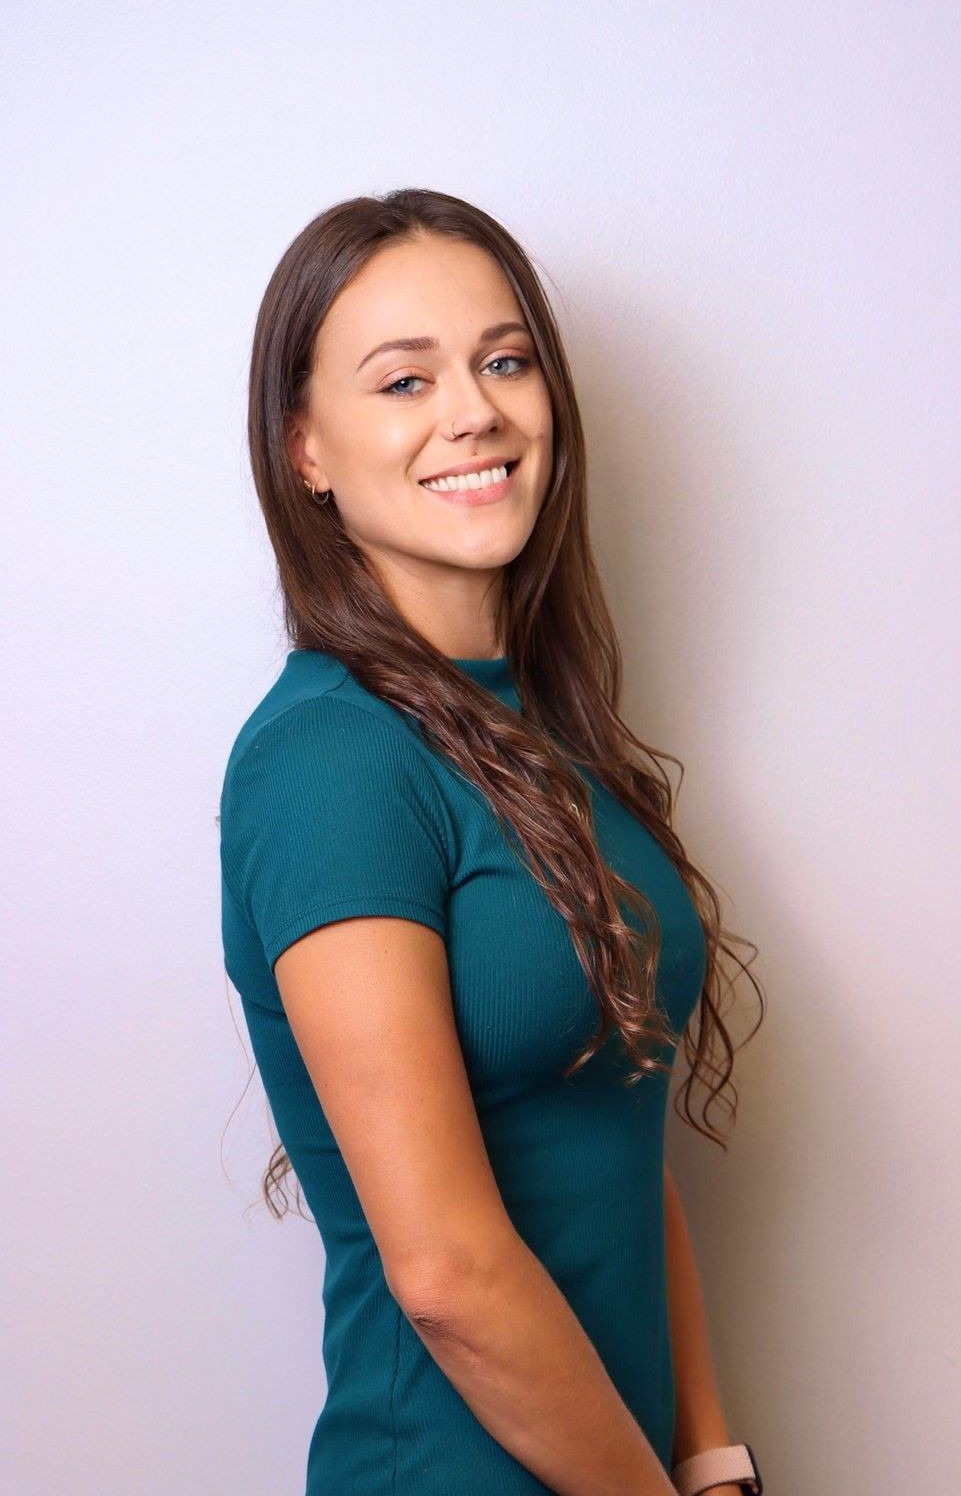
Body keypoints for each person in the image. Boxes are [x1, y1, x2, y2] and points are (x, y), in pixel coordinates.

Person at [219, 188, 765, 1496]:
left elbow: (620, 1107)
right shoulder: (329, 763)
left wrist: (710, 1456)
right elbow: (448, 1274)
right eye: (404, 381)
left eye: (505, 360)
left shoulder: (547, 733)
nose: (475, 410)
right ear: (306, 448)